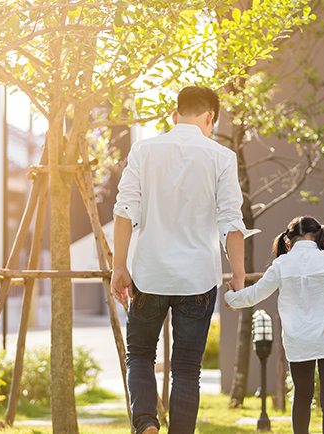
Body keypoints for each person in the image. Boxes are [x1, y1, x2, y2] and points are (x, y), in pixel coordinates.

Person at [111, 86, 254, 434]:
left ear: (175, 116)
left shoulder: (143, 150)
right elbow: (231, 222)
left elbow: (124, 211)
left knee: (140, 355)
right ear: (210, 118)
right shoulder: (221, 157)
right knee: (187, 370)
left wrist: (119, 267)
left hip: (149, 275)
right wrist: (238, 275)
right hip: (197, 279)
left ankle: (145, 424)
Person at [225, 216, 324, 434]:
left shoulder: (282, 264)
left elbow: (255, 294)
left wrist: (230, 298)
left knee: (302, 396)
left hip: (299, 342)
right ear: (319, 234)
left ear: (288, 241)